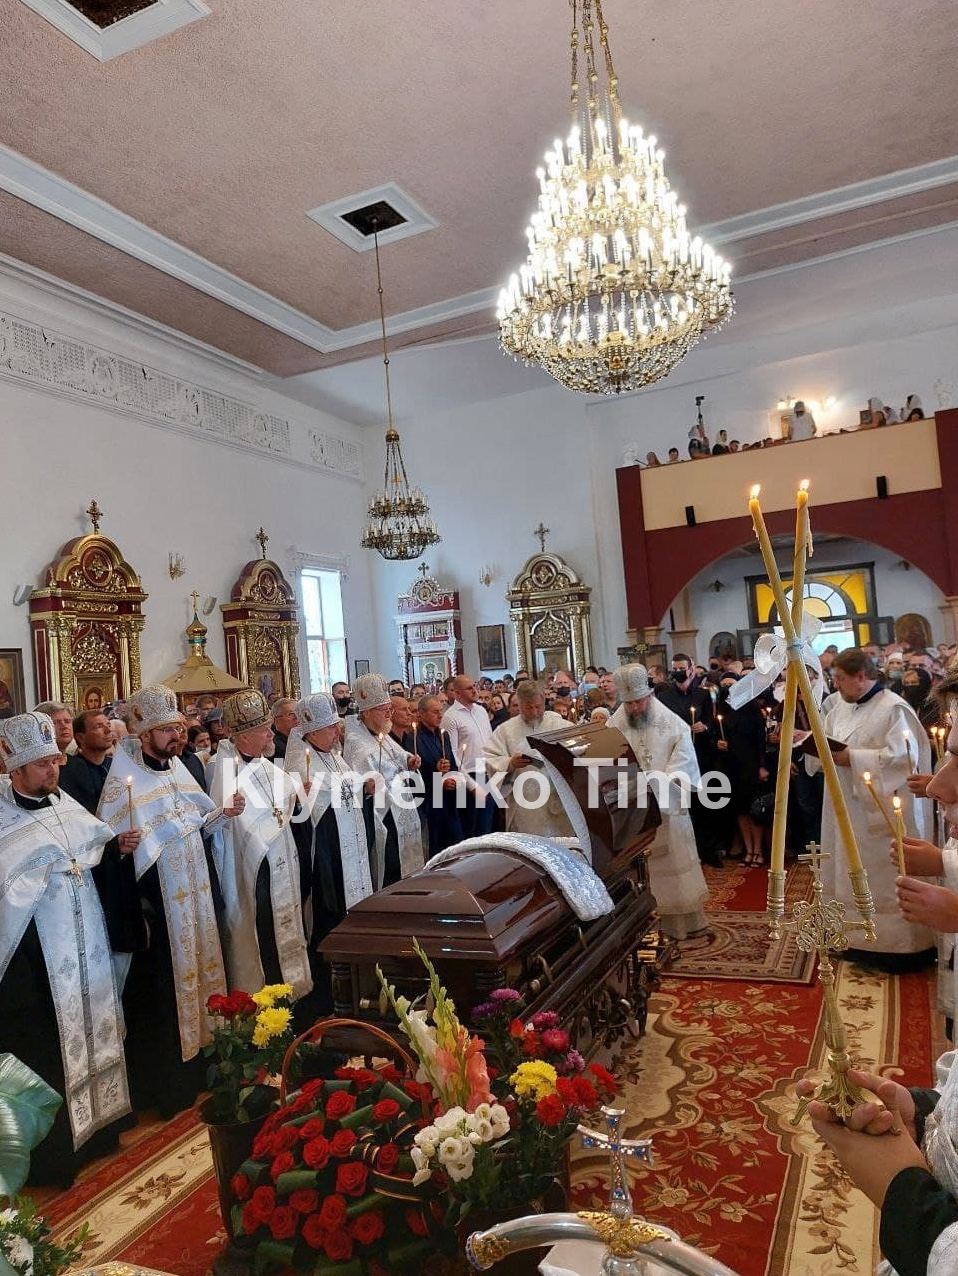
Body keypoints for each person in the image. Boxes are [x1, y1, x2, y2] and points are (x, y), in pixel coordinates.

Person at [0, 711, 139, 1185]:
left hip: (86, 942)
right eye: (41, 764)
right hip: (37, 957)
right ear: (15, 769)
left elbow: (93, 848)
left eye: (54, 761)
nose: (52, 770)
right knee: (50, 1042)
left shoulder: (65, 805)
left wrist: (115, 848)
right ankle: (59, 1153)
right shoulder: (4, 821)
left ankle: (103, 1127)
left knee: (97, 1022)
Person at [97, 685, 244, 1117]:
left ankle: (209, 1066)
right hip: (159, 907)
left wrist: (220, 814)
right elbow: (110, 850)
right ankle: (171, 1085)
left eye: (179, 728)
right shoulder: (121, 786)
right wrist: (119, 849)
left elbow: (194, 823)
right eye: (167, 730)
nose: (177, 736)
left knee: (205, 968)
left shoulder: (180, 769)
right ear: (144, 734)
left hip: (197, 896)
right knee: (166, 990)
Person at [811, 648, 934, 968]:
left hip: (882, 811)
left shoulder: (894, 709)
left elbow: (905, 759)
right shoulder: (839, 706)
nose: (835, 685)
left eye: (840, 679)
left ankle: (898, 948)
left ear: (861, 677)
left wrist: (853, 757)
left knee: (884, 876)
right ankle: (854, 939)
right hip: (847, 807)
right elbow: (829, 739)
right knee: (850, 869)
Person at [209, 690, 311, 1000]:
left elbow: (282, 803)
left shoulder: (265, 764)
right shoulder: (223, 769)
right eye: (263, 729)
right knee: (263, 932)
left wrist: (297, 795)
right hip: (254, 871)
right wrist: (229, 813)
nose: (270, 734)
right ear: (243, 736)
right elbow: (224, 823)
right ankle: (267, 1000)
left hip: (281, 863)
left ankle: (290, 993)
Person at [285, 694, 374, 1019]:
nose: (337, 732)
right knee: (328, 919)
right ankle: (329, 994)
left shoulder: (335, 756)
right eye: (330, 728)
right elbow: (301, 811)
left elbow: (350, 788)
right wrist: (301, 797)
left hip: (348, 853)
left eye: (336, 726)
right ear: (311, 731)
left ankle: (357, 984)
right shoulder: (300, 763)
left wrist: (365, 787)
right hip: (324, 857)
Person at [610, 665, 709, 938]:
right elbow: (605, 763)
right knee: (637, 869)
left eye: (639, 702)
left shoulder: (672, 724)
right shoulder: (613, 726)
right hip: (631, 811)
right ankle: (638, 927)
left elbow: (684, 764)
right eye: (628, 703)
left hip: (667, 810)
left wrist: (656, 784)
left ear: (649, 695)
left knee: (673, 866)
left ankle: (679, 926)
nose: (634, 709)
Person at [342, 673, 424, 887]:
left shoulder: (381, 733)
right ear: (367, 712)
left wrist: (410, 760)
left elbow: (398, 755)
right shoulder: (356, 742)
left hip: (400, 806)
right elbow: (361, 781)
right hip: (382, 814)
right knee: (391, 865)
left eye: (390, 709)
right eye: (384, 710)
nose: (389, 714)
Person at [656, 653, 726, 867]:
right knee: (682, 806)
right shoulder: (665, 697)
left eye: (682, 668)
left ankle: (709, 850)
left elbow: (714, 723)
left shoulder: (703, 695)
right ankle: (686, 853)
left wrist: (705, 726)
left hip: (702, 756)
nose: (678, 672)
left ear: (691, 670)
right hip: (677, 759)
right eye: (675, 669)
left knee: (705, 804)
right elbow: (661, 726)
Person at [483, 680, 572, 837]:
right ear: (520, 704)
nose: (534, 712)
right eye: (529, 707)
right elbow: (490, 759)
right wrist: (510, 763)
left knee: (560, 844)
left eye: (538, 706)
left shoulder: (561, 726)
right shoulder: (506, 730)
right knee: (530, 845)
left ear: (544, 702)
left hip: (557, 799)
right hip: (524, 802)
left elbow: (579, 754)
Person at [441, 675, 495, 836]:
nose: (474, 690)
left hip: (488, 773)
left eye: (475, 686)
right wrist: (472, 785)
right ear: (457, 693)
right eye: (469, 688)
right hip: (468, 777)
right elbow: (452, 754)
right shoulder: (450, 717)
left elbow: (491, 742)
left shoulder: (481, 711)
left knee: (487, 828)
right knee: (471, 830)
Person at [415, 694, 464, 855]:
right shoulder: (414, 738)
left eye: (440, 711)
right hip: (430, 802)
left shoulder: (443, 735)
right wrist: (437, 774)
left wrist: (452, 778)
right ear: (422, 713)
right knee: (436, 848)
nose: (440, 715)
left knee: (456, 845)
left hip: (449, 800)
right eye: (435, 712)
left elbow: (453, 764)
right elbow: (414, 774)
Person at [271, 697, 298, 761]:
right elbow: (279, 767)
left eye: (298, 713)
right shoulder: (275, 747)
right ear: (276, 720)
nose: (296, 717)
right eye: (291, 714)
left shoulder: (302, 739)